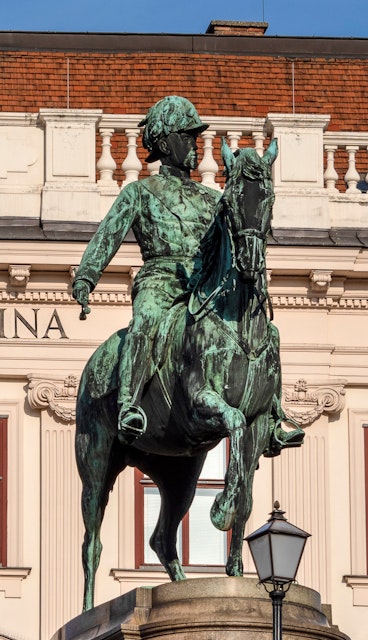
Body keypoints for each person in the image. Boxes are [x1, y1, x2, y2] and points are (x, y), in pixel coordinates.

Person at [71, 96, 220, 439]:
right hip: (160, 278)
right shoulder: (139, 192)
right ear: (166, 143)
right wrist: (86, 276)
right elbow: (108, 235)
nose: (195, 145)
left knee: (253, 333)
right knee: (146, 321)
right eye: (187, 137)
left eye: (195, 137)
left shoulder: (214, 199)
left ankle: (270, 417)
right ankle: (129, 404)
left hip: (205, 286)